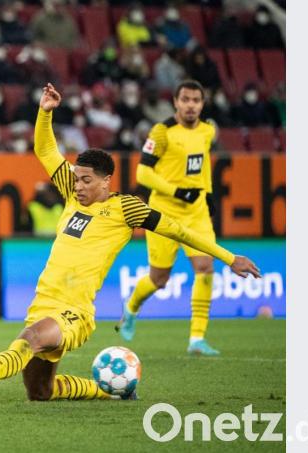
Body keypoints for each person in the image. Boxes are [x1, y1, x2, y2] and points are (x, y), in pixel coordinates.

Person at [0, 83, 260, 400]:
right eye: (76, 179)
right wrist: (45, 113)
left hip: (74, 312)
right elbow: (45, 151)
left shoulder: (124, 208)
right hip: (42, 303)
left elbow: (178, 230)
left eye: (86, 180)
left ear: (106, 181)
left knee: (30, 338)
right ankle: (111, 392)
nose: (78, 186)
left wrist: (229, 257)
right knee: (40, 391)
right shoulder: (72, 194)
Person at [119, 80, 229, 356]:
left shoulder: (207, 131)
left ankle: (197, 339)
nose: (190, 105)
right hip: (163, 213)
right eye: (185, 100)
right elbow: (143, 173)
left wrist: (208, 193)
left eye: (196, 100)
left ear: (202, 104)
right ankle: (131, 308)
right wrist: (176, 191)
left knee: (205, 268)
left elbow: (202, 164)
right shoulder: (162, 132)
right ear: (175, 103)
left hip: (196, 213)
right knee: (159, 279)